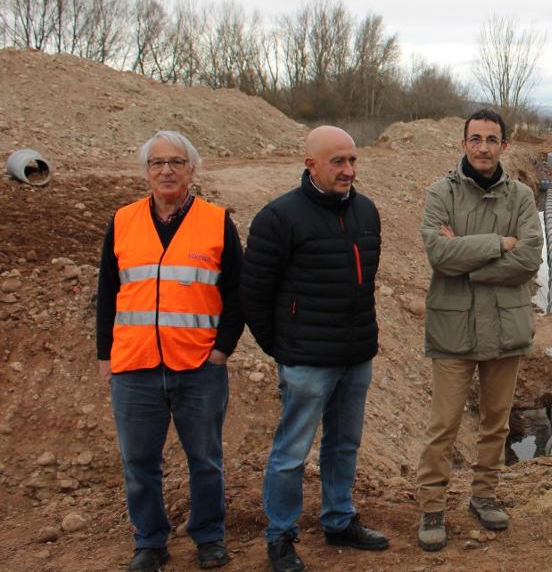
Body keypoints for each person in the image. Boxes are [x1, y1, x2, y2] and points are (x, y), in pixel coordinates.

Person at [242, 126, 388, 572]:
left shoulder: (366, 211)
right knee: (290, 453)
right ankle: (280, 535)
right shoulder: (279, 217)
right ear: (311, 165)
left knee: (344, 445)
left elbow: (366, 283)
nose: (348, 170)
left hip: (356, 354)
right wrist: (284, 348)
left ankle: (339, 519)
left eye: (352, 160)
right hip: (306, 361)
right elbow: (254, 294)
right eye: (337, 162)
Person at [96, 131, 242, 571]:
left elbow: (238, 293)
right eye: (157, 163)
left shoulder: (216, 222)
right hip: (134, 366)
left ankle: (209, 536)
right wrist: (106, 355)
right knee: (139, 461)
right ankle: (150, 541)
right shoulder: (122, 221)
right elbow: (107, 292)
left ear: (192, 170)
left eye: (176, 162)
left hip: (198, 366)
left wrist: (221, 352)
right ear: (145, 172)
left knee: (206, 460)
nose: (166, 171)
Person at [414, 109, 543, 552]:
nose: (483, 147)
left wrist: (467, 262)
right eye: (476, 139)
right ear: (463, 143)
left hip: (505, 328)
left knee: (496, 423)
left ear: (504, 146)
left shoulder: (522, 197)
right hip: (453, 329)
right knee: (445, 424)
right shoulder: (439, 192)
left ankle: (484, 496)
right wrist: (496, 245)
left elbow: (529, 259)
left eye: (492, 139)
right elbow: (438, 255)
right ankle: (432, 506)